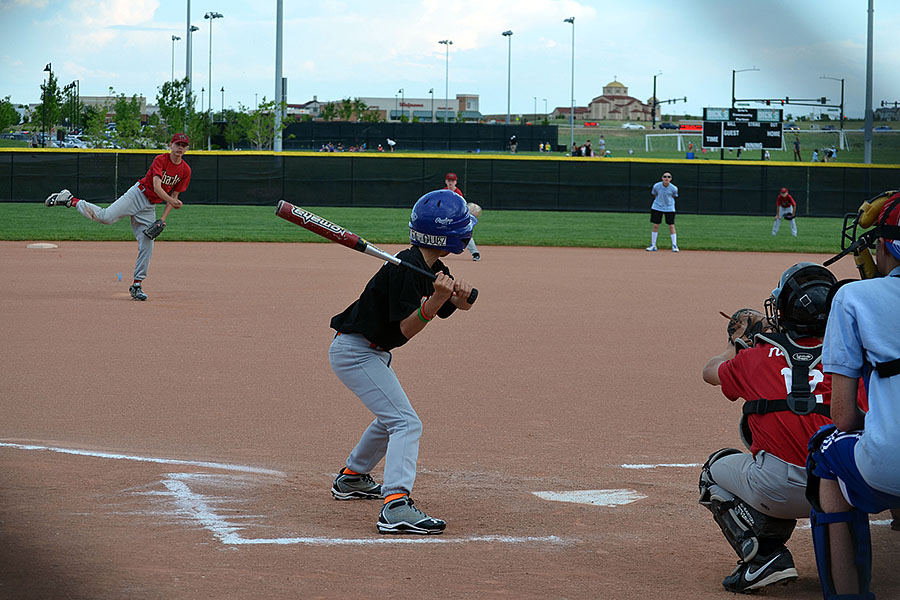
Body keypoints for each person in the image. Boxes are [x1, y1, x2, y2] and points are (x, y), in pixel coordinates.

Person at [699, 263, 858, 594]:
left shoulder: (757, 355)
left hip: (777, 492)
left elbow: (710, 371)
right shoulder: (849, 357)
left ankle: (765, 556)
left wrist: (737, 343)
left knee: (713, 470)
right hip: (843, 494)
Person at [328, 189, 477, 535]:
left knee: (391, 418)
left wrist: (460, 295)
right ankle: (395, 506)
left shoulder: (431, 267)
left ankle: (351, 478)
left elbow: (459, 306)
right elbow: (406, 329)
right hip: (355, 351)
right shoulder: (405, 269)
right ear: (448, 235)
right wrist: (438, 298)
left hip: (370, 351)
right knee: (406, 423)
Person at [806, 194, 900, 599]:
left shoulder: (855, 298)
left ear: (885, 245)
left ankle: (848, 594)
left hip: (887, 466)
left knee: (825, 450)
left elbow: (843, 417)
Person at [43, 132, 191, 301]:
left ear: (187, 149)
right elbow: (158, 187)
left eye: (184, 145)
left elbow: (175, 195)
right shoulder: (161, 160)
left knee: (148, 243)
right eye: (177, 144)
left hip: (150, 206)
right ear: (170, 145)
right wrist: (172, 200)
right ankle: (70, 199)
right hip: (138, 194)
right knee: (106, 217)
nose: (180, 148)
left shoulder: (185, 170)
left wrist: (163, 219)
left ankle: (137, 285)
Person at [444, 172, 480, 261]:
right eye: (449, 180)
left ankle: (475, 253)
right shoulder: (443, 191)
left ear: (456, 182)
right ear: (446, 181)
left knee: (465, 233)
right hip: (444, 217)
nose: (450, 183)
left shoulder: (458, 193)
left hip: (456, 218)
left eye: (452, 180)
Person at [646, 171, 679, 252]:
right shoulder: (657, 186)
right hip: (657, 207)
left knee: (671, 226)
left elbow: (674, 196)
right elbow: (654, 194)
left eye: (668, 177)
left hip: (669, 208)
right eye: (664, 176)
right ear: (662, 178)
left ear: (671, 179)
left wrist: (667, 204)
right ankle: (653, 245)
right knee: (656, 225)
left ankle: (674, 245)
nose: (666, 178)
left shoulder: (674, 188)